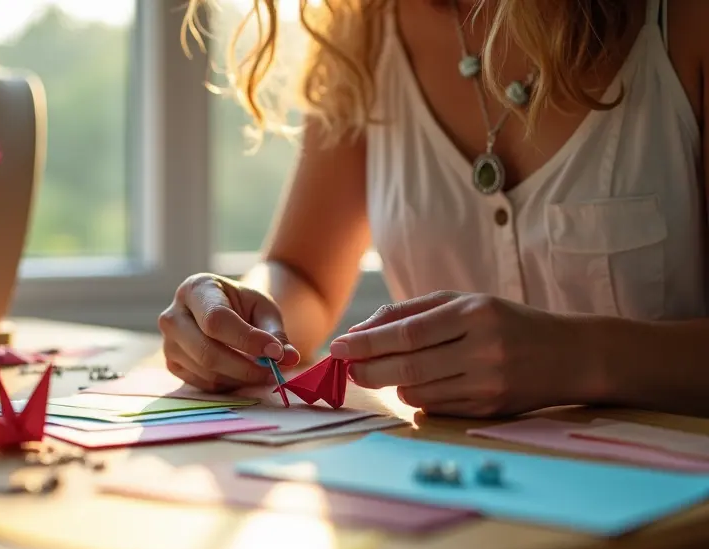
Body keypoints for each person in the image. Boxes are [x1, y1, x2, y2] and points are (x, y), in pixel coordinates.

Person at [158, 0, 709, 418]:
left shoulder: (684, 22)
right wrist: (237, 319)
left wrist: (580, 357)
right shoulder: (364, 30)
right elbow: (302, 274)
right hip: (447, 515)